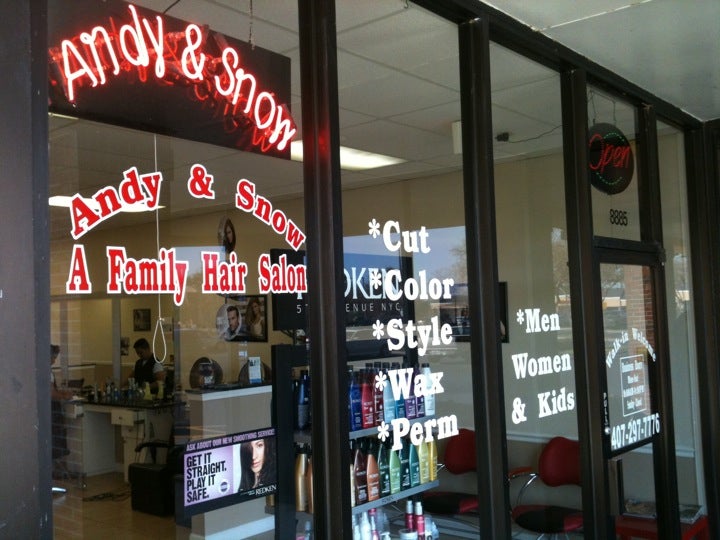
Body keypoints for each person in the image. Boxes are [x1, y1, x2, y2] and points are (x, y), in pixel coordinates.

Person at [51, 344, 72, 478]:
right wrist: (65, 395)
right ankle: (59, 472)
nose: (54, 360)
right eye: (53, 357)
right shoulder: (46, 371)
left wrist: (62, 393)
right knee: (56, 438)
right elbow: (51, 393)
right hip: (52, 409)